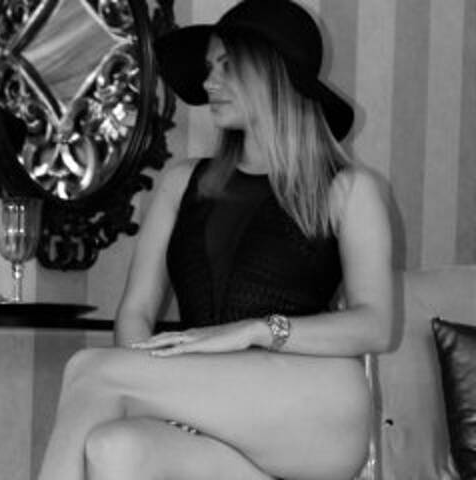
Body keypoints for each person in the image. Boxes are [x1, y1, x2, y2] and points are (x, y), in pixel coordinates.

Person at [37, 0, 393, 479]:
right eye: (209, 68)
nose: (208, 83)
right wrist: (158, 394)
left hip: (314, 407)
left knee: (88, 370)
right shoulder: (182, 183)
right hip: (211, 406)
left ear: (273, 74)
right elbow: (136, 312)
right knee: (113, 448)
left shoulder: (348, 189)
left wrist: (255, 331)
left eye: (227, 66)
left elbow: (376, 326)